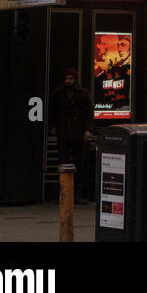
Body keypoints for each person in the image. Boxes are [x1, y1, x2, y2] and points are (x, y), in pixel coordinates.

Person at [48, 67, 94, 204]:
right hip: (67, 132)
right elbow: (53, 111)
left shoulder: (82, 94)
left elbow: (88, 113)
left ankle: (75, 194)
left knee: (78, 164)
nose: (68, 81)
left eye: (70, 79)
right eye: (66, 79)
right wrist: (54, 127)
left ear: (74, 79)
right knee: (66, 163)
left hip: (76, 133)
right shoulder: (59, 94)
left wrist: (88, 129)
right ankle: (67, 193)